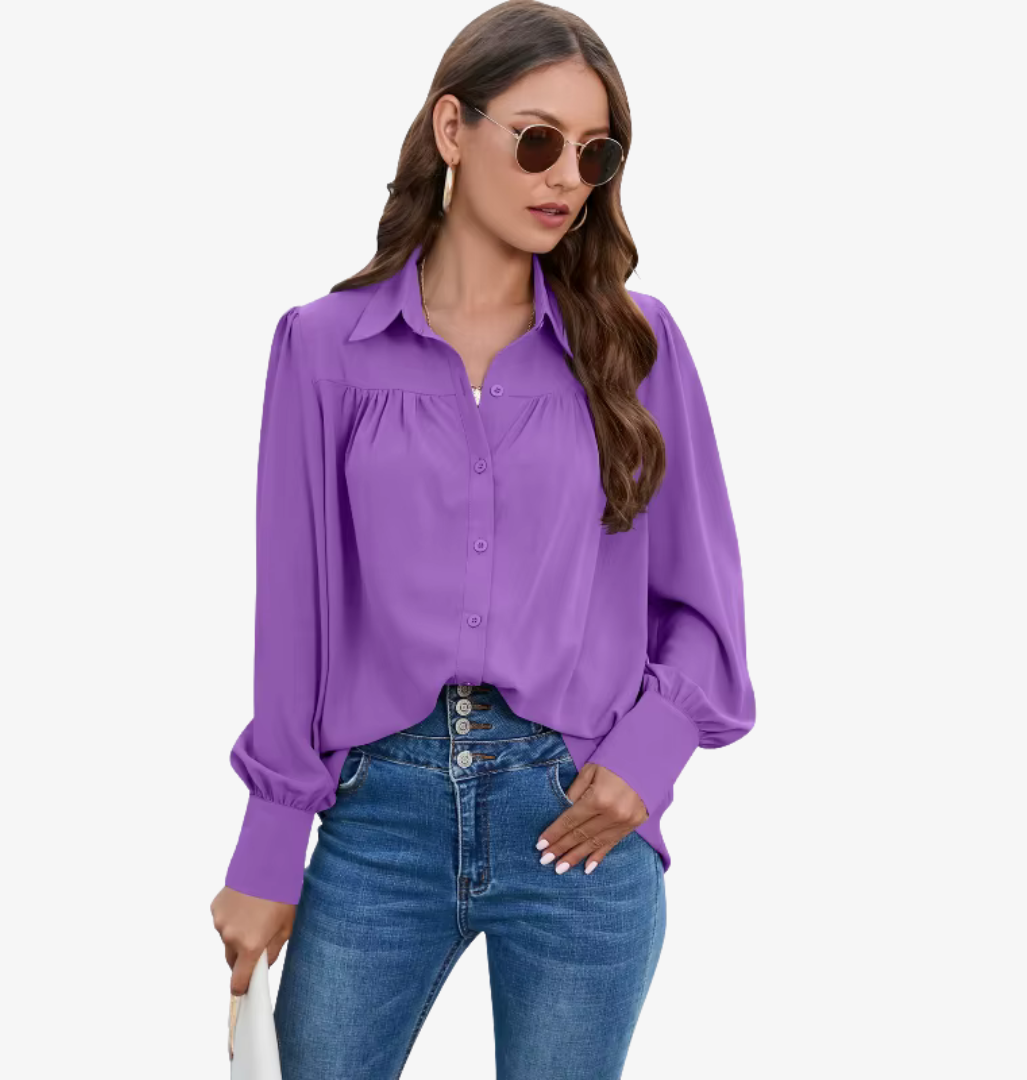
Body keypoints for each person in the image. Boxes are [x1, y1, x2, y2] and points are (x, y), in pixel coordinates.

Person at [210, 2, 756, 1076]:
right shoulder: (324, 347)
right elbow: (293, 615)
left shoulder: (635, 345)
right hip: (378, 821)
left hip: (576, 819)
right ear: (452, 128)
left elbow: (705, 606)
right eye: (538, 141)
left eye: (595, 154)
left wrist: (646, 757)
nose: (567, 179)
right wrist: (269, 843)